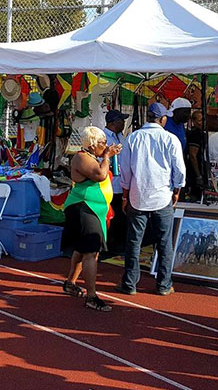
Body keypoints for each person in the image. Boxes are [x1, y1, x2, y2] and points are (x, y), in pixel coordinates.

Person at [116, 101, 186, 296]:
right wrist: (177, 191)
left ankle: (130, 284)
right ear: (162, 119)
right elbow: (179, 170)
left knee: (134, 242)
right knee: (164, 243)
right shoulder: (171, 139)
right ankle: (163, 284)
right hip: (163, 197)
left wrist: (125, 195)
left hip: (138, 196)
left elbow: (126, 171)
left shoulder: (133, 138)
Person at [62, 126, 122, 312]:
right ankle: (92, 296)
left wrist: (105, 156)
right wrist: (107, 157)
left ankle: (70, 283)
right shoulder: (81, 157)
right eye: (102, 143)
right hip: (83, 208)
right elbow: (100, 175)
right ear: (93, 144)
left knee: (82, 249)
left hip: (93, 209)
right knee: (91, 252)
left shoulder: (92, 157)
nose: (105, 146)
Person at [103, 109, 129, 255]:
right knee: (110, 216)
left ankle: (118, 245)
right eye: (122, 120)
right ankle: (108, 247)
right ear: (114, 122)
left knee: (120, 216)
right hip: (109, 184)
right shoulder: (103, 137)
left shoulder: (121, 137)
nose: (124, 123)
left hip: (121, 184)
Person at [185, 110, 206, 201]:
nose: (202, 123)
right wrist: (198, 175)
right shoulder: (195, 134)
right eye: (199, 120)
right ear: (193, 121)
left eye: (203, 120)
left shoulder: (201, 133)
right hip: (194, 172)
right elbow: (193, 155)